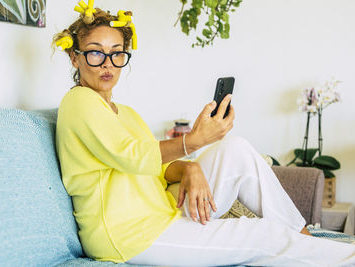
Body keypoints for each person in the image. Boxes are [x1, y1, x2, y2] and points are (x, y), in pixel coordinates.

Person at [54, 3, 355, 266]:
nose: (107, 63)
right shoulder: (78, 101)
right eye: (95, 53)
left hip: (163, 210)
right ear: (75, 58)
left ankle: (300, 234)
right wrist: (195, 140)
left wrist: (191, 167)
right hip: (129, 233)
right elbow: (132, 157)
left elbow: (157, 168)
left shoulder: (126, 112)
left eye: (117, 53)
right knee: (261, 234)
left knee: (234, 148)